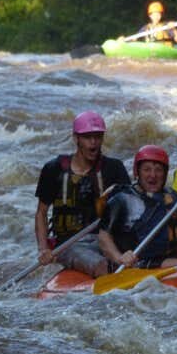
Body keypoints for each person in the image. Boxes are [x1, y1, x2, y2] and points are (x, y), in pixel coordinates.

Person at [34, 111, 131, 277]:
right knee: (101, 265)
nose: (93, 143)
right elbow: (41, 213)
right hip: (69, 244)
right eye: (87, 137)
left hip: (106, 240)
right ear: (76, 138)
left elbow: (130, 209)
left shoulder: (114, 168)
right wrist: (43, 249)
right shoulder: (54, 169)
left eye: (98, 137)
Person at [98, 145, 177, 269]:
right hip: (136, 263)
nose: (153, 175)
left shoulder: (174, 197)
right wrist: (119, 258)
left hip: (172, 259)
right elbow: (104, 236)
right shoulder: (122, 199)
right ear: (137, 172)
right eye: (147, 169)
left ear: (165, 173)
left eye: (158, 170)